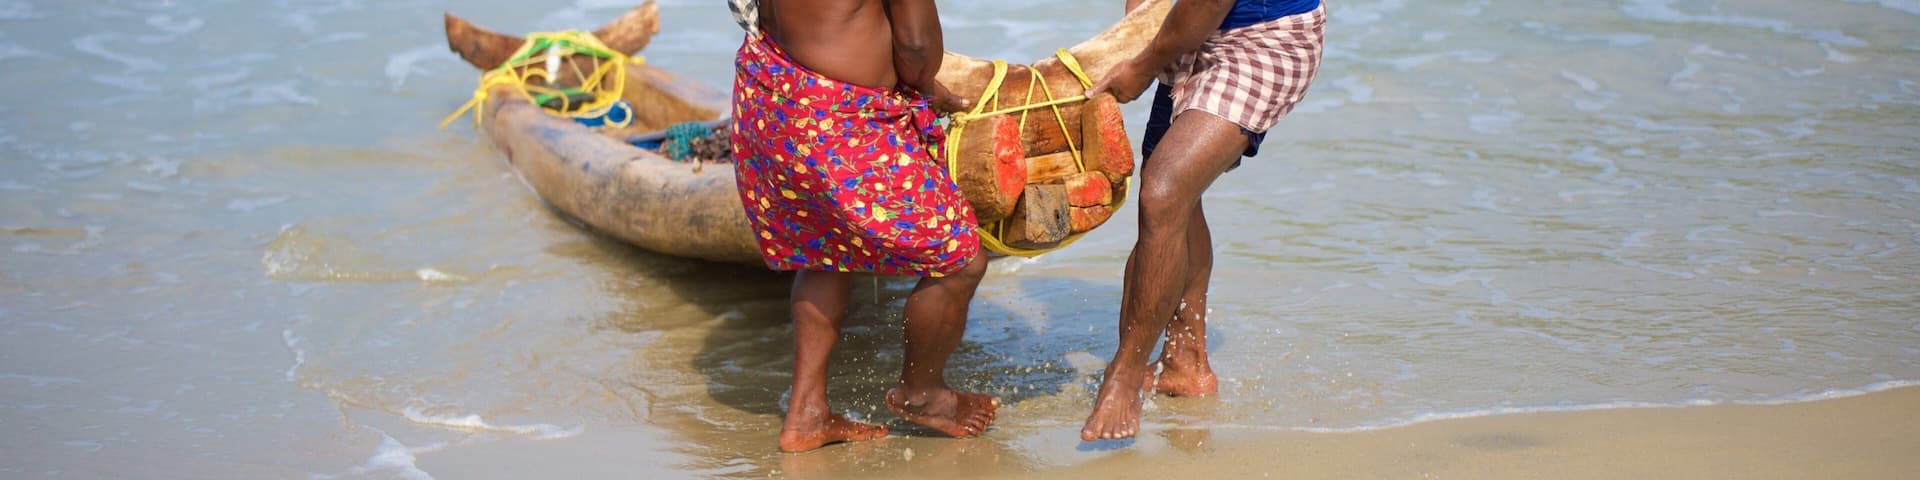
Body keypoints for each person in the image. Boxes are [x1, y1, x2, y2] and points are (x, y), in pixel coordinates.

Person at [729, 0, 1000, 453]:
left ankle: (807, 413)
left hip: (771, 92)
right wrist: (924, 88)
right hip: (839, 119)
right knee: (959, 257)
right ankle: (923, 394)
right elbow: (915, 47)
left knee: (823, 249)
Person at [1078, 0, 1327, 441]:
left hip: (1262, 38)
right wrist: (1140, 28)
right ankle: (1184, 361)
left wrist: (1144, 64)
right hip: (1190, 30)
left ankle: (1125, 376)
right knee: (1177, 198)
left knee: (1163, 192)